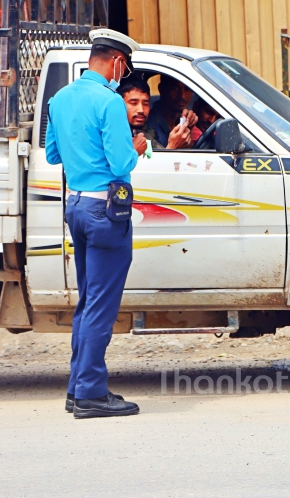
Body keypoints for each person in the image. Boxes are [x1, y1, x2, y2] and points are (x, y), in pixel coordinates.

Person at [45, 28, 146, 419]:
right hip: (106, 210)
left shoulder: (60, 98)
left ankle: (77, 387)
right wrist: (136, 149)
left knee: (88, 301)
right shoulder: (108, 101)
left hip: (76, 206)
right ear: (118, 62)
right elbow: (121, 164)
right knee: (101, 306)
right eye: (125, 67)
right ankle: (89, 392)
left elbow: (54, 154)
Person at [118, 77, 192, 150]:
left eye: (145, 104)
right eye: (134, 103)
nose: (141, 110)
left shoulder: (145, 134)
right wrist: (172, 147)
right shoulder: (113, 135)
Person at [149, 75, 197, 146]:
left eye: (187, 89)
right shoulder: (150, 127)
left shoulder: (181, 120)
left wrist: (189, 127)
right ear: (161, 89)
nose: (182, 96)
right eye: (175, 88)